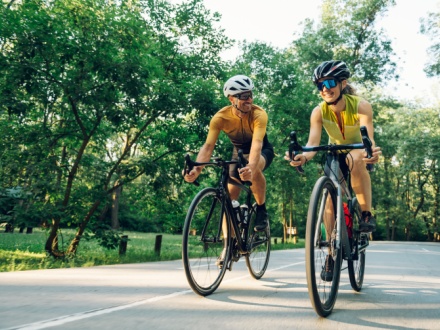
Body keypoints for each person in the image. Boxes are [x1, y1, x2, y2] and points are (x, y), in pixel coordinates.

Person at [184, 75, 274, 235]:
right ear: (232, 99)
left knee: (254, 169)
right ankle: (228, 246)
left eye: (251, 95)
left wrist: (251, 168)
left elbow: (256, 145)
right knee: (229, 201)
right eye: (245, 96)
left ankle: (261, 209)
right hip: (237, 154)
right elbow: (208, 146)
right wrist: (196, 171)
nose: (250, 100)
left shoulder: (259, 115)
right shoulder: (220, 118)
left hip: (261, 150)